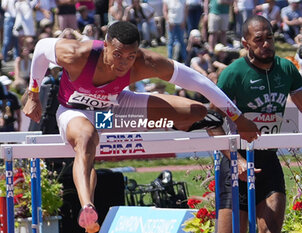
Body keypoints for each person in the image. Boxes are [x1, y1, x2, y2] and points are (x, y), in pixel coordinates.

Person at [23, 21, 259, 233]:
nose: (123, 63)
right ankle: (88, 208)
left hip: (116, 106)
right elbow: (42, 48)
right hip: (74, 111)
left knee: (198, 111)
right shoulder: (76, 54)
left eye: (130, 55)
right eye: (117, 54)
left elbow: (200, 82)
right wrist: (33, 93)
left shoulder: (146, 63)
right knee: (86, 138)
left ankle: (234, 158)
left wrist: (238, 118)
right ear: (104, 45)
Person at [208, 15, 302, 233]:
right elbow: (210, 121)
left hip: (268, 160)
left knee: (271, 230)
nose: (266, 44)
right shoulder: (233, 74)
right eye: (259, 39)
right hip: (236, 162)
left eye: (269, 38)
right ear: (245, 43)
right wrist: (236, 159)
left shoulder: (287, 69)